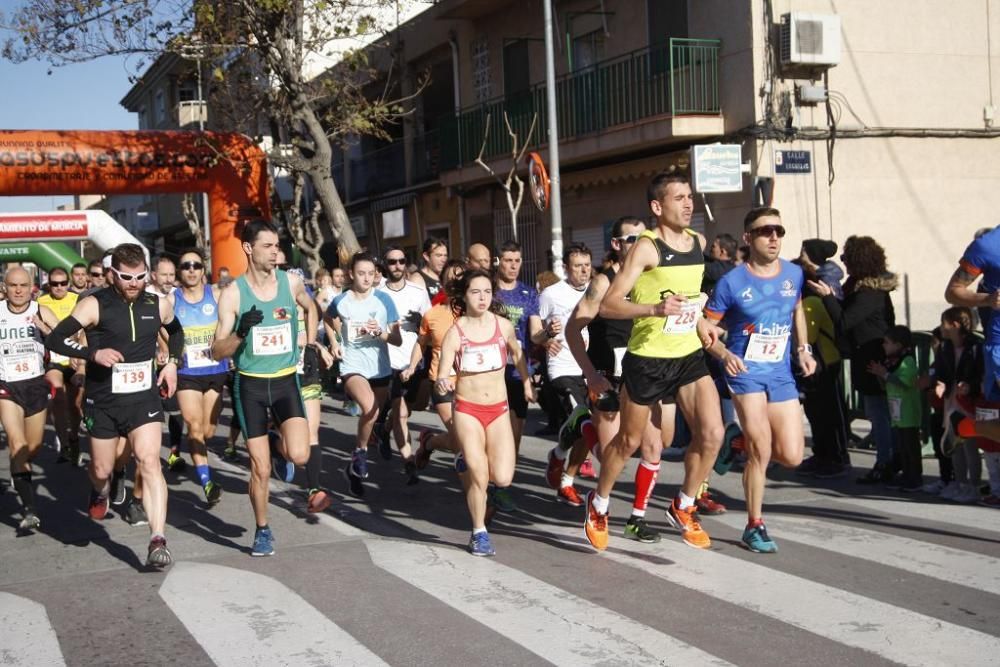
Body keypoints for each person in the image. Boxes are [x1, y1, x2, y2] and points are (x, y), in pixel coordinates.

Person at [586, 172, 724, 551]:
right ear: (657, 207)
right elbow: (610, 305)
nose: (688, 203)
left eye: (690, 196)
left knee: (713, 433)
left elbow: (689, 298)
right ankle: (599, 504)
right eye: (678, 197)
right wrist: (655, 308)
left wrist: (700, 323)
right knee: (629, 442)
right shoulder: (646, 248)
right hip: (647, 359)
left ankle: (683, 504)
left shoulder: (698, 242)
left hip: (688, 356)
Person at [46, 243, 184, 567]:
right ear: (112, 274)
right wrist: (92, 354)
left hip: (143, 398)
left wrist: (172, 363)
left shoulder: (157, 303)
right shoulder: (94, 304)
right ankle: (100, 490)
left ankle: (158, 539)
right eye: (126, 277)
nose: (134, 283)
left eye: (139, 277)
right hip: (104, 401)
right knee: (100, 469)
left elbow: (176, 333)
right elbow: (56, 339)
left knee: (150, 461)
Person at [703, 207, 814, 553]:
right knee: (762, 449)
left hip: (780, 373)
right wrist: (724, 355)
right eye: (765, 231)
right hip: (745, 372)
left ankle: (735, 442)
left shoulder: (795, 274)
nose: (774, 238)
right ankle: (754, 525)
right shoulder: (731, 282)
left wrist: (804, 349)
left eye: (779, 231)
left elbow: (796, 309)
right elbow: (704, 327)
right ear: (748, 238)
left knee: (793, 456)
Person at [211, 220, 316, 557]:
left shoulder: (292, 281)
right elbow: (216, 350)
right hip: (251, 386)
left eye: (276, 245)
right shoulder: (233, 293)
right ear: (248, 248)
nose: (275, 252)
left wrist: (310, 345)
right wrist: (241, 332)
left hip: (286, 380)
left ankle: (275, 438)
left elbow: (311, 307)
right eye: (268, 246)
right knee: (261, 468)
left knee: (299, 455)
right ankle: (263, 529)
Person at [561, 217, 667, 542]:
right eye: (631, 238)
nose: (639, 244)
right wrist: (591, 375)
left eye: (643, 237)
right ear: (617, 245)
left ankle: (637, 518)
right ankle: (582, 423)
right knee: (611, 455)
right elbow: (572, 329)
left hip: (643, 372)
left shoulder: (650, 278)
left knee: (653, 446)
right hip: (607, 375)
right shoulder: (603, 284)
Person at [437, 269, 535, 556]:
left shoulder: (503, 326)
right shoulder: (455, 333)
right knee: (479, 475)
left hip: (498, 410)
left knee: (502, 478)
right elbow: (443, 372)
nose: (482, 298)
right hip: (467, 410)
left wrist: (527, 382)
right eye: (475, 292)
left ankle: (463, 458)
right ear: (463, 296)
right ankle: (479, 532)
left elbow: (517, 353)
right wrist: (444, 379)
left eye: (487, 292)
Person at [809, 235, 897, 484]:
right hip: (867, 357)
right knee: (877, 413)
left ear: (859, 261)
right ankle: (888, 460)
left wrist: (827, 296)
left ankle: (885, 462)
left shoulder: (869, 292)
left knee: (879, 414)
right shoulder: (860, 287)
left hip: (874, 360)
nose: (843, 262)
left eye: (847, 258)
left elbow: (845, 321)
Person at [324, 252, 402, 498]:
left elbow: (397, 339)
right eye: (361, 273)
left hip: (379, 366)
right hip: (352, 364)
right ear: (351, 274)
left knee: (372, 412)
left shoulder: (384, 301)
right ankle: (362, 453)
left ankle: (355, 460)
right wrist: (335, 341)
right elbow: (328, 318)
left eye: (371, 273)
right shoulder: (342, 300)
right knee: (370, 407)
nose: (367, 278)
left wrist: (380, 333)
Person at [1, 268, 60, 532]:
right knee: (18, 443)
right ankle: (30, 508)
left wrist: (46, 330)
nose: (18, 290)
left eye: (23, 285)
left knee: (32, 447)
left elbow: (64, 342)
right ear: (5, 286)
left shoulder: (42, 311)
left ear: (32, 286)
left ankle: (19, 472)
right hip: (6, 386)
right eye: (13, 285)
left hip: (35, 384)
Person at [171, 249, 227, 505]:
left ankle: (196, 449)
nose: (191, 270)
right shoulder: (171, 301)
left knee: (208, 430)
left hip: (215, 369)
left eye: (196, 265)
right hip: (187, 372)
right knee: (194, 426)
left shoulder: (216, 295)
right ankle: (207, 482)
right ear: (179, 272)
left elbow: (231, 321)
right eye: (186, 266)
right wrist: (169, 350)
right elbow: (160, 328)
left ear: (203, 270)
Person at [374, 246, 431, 483]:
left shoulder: (418, 292)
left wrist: (420, 322)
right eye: (392, 262)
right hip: (388, 362)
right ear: (385, 266)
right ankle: (408, 461)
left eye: (401, 261)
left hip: (414, 360)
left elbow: (430, 325)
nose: (397, 266)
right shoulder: (375, 293)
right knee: (401, 412)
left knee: (416, 404)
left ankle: (384, 430)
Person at [944, 226, 1000, 444]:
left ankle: (965, 425)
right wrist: (987, 300)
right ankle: (965, 424)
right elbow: (953, 291)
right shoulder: (987, 246)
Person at [409, 260, 466, 468]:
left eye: (459, 277)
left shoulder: (472, 313)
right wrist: (411, 366)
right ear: (442, 281)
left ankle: (429, 442)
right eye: (450, 277)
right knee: (459, 436)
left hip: (469, 384)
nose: (454, 281)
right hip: (441, 383)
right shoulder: (432, 314)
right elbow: (421, 343)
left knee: (464, 437)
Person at [494, 241, 546, 458]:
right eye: (508, 261)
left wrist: (548, 334)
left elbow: (535, 333)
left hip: (518, 371)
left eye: (517, 261)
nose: (513, 266)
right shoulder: (489, 291)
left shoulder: (529, 293)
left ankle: (505, 478)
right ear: (499, 262)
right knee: (496, 431)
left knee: (515, 434)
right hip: (493, 371)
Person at [932, 307, 984, 503]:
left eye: (944, 322)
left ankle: (975, 486)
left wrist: (970, 385)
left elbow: (980, 373)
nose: (942, 327)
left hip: (968, 403)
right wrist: (940, 384)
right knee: (954, 446)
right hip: (951, 401)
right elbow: (941, 372)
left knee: (970, 446)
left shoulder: (975, 346)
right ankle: (960, 484)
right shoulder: (945, 347)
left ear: (956, 324)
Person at [867, 325, 922, 492]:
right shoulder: (890, 361)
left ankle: (914, 476)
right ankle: (905, 473)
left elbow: (904, 383)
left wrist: (884, 374)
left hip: (908, 411)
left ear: (898, 345)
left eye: (887, 342)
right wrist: (879, 375)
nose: (884, 345)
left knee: (910, 446)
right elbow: (886, 385)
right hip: (896, 411)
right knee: (902, 446)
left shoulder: (907, 361)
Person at [37, 266, 83, 465]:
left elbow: (82, 329)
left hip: (73, 357)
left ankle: (73, 437)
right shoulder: (41, 302)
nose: (59, 287)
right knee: (58, 399)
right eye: (54, 284)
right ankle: (64, 445)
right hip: (54, 360)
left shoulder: (76, 300)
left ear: (68, 283)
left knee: (75, 406)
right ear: (49, 285)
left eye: (63, 283)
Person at [409, 237, 449, 301]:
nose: (443, 260)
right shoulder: (417, 279)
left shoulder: (447, 276)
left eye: (445, 255)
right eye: (439, 255)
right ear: (426, 256)